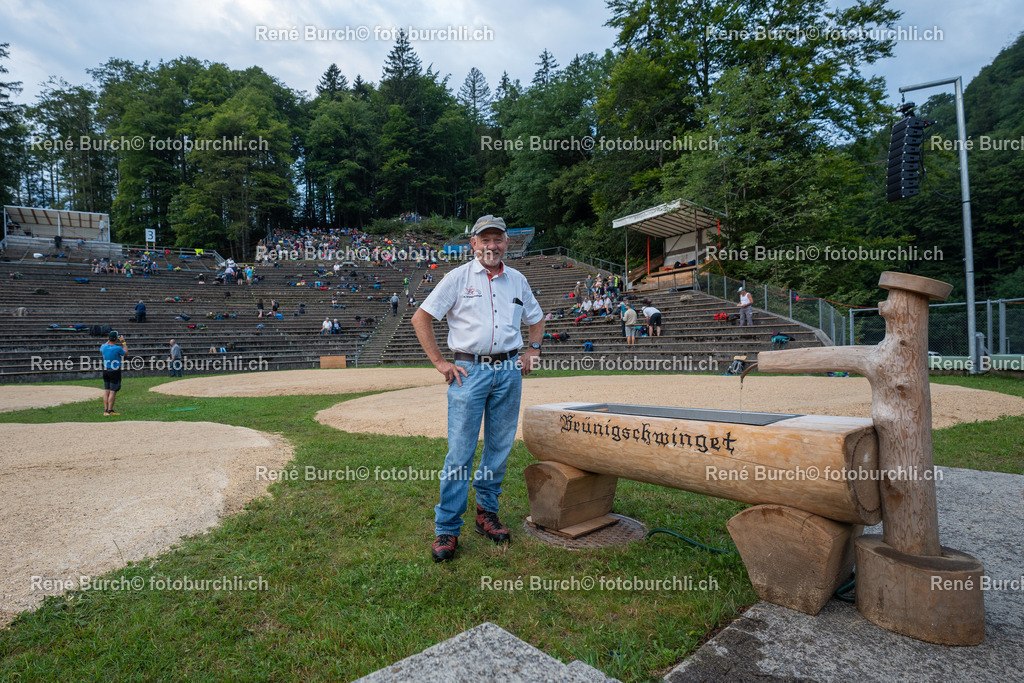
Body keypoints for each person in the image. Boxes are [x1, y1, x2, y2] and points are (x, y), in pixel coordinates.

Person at [411, 215, 544, 563]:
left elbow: (536, 317)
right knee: (460, 453)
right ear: (473, 244)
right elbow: (420, 318)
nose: (491, 246)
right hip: (468, 371)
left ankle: (486, 513)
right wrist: (441, 363)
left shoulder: (517, 280)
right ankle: (447, 528)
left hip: (509, 370)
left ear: (507, 243)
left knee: (498, 449)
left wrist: (533, 349)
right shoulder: (457, 278)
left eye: (497, 239)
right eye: (484, 240)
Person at [100, 331, 127, 415]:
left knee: (106, 391)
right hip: (114, 371)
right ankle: (110, 410)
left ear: (108, 338)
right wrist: (124, 342)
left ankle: (105, 410)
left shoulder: (103, 346)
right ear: (116, 339)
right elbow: (125, 353)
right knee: (112, 391)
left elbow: (105, 345)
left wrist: (109, 339)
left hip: (105, 370)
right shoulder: (117, 348)